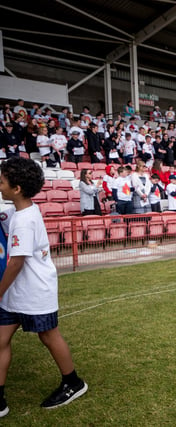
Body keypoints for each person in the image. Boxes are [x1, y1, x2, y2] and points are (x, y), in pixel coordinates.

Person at [0, 157, 88, 417]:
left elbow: (16, 262)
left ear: (16, 189)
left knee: (48, 336)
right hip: (16, 293)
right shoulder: (21, 211)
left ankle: (73, 382)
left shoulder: (24, 220)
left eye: (2, 182)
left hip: (34, 291)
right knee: (1, 339)